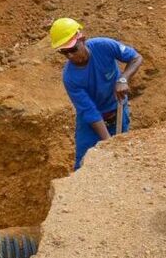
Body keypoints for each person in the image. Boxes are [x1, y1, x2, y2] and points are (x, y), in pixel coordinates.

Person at [49, 18, 143, 170]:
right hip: (91, 125)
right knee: (84, 166)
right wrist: (107, 142)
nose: (70, 56)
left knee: (121, 162)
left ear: (82, 39)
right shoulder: (70, 78)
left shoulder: (104, 46)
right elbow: (90, 112)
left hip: (119, 112)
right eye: (64, 52)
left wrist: (123, 78)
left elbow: (136, 58)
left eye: (73, 49)